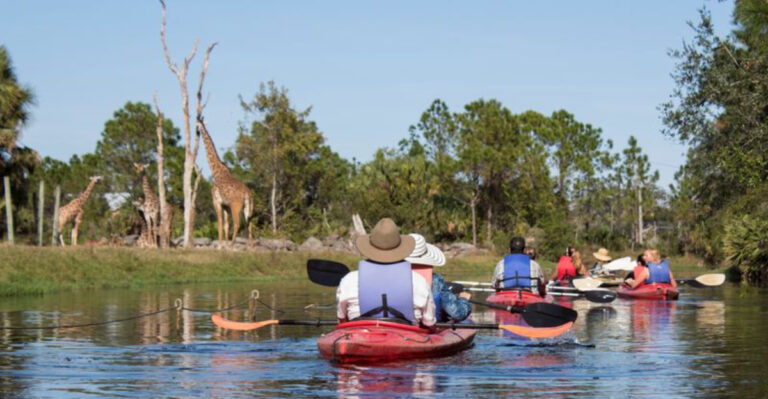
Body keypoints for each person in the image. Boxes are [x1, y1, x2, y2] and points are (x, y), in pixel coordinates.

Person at [336, 218, 436, 326]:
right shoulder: (418, 280)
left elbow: (342, 318)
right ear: (399, 248)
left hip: (358, 333)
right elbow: (429, 322)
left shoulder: (349, 280)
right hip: (407, 336)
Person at [407, 233, 472, 322]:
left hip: (402, 325)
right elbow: (456, 313)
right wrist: (463, 300)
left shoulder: (396, 277)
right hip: (428, 327)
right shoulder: (436, 280)